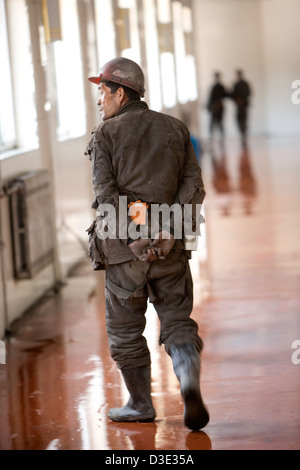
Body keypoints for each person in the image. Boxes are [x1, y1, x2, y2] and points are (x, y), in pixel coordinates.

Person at [84, 57, 209, 431]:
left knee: (125, 329)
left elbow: (106, 196)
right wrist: (166, 231)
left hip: (125, 254)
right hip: (169, 246)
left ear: (120, 92)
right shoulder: (175, 127)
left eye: (102, 92)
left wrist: (136, 236)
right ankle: (186, 376)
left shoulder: (105, 136)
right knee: (177, 320)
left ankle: (140, 404)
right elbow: (193, 187)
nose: (99, 101)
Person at [231, 70, 251, 148]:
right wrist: (237, 100)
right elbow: (232, 95)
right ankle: (242, 136)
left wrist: (242, 100)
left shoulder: (245, 84)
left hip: (243, 107)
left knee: (244, 122)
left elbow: (249, 93)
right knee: (240, 122)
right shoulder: (236, 84)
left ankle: (244, 136)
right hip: (239, 107)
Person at [206, 72, 227, 142]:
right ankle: (212, 137)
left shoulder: (220, 86)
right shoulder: (215, 86)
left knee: (219, 123)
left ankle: (221, 137)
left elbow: (225, 95)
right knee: (213, 123)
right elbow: (210, 98)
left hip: (219, 108)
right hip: (215, 108)